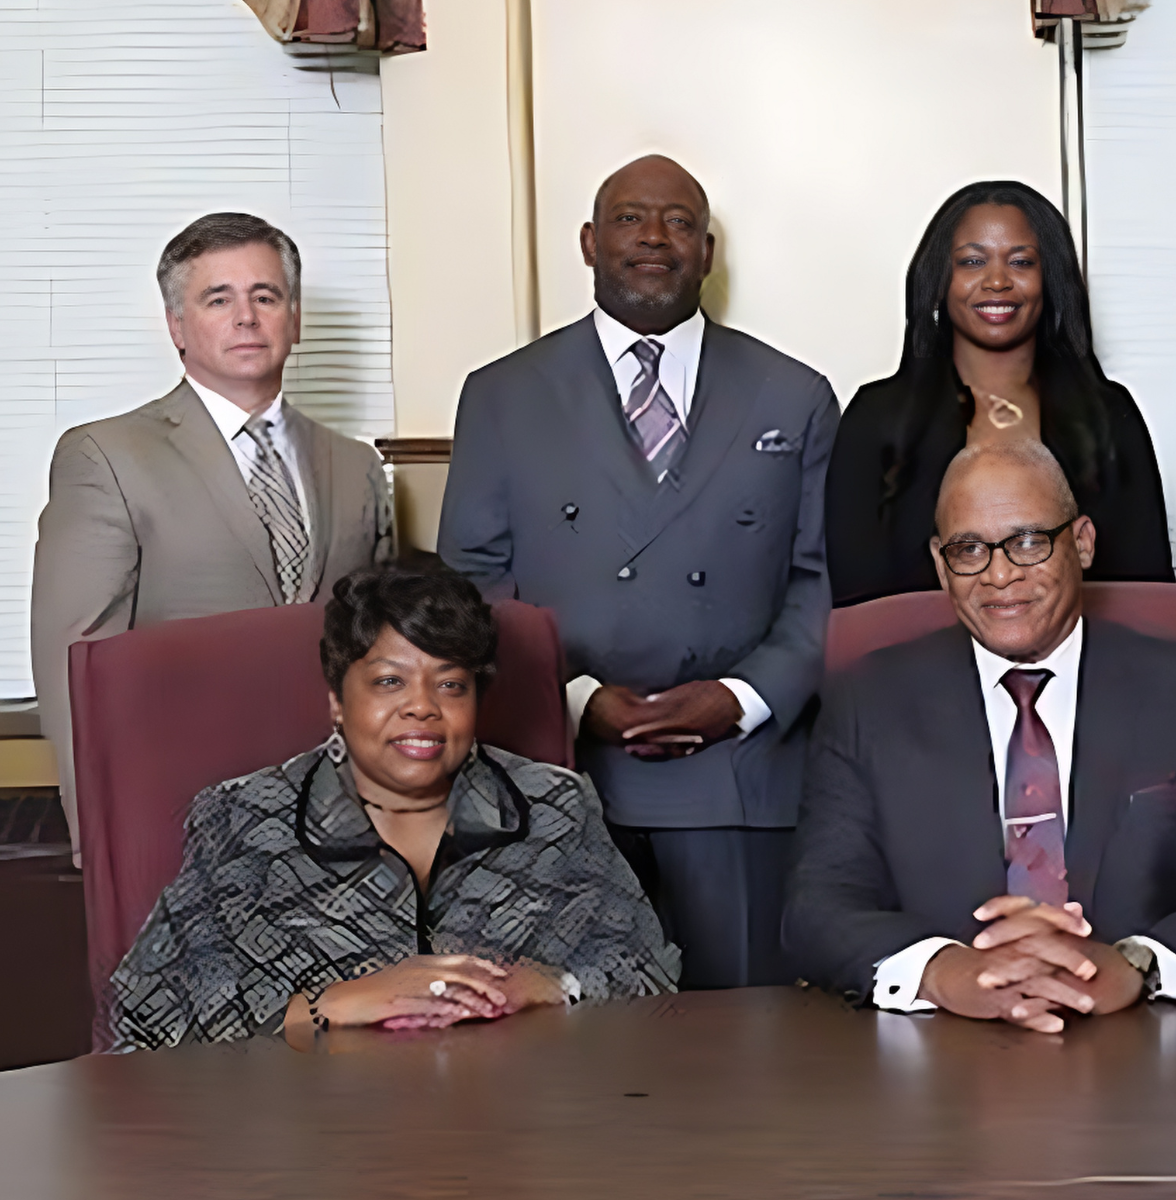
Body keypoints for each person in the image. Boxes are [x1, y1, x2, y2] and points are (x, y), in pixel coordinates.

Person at [439, 155, 837, 989]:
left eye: (679, 222)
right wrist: (578, 699)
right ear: (589, 243)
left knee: (748, 1036)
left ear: (708, 252)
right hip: (555, 771)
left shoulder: (793, 394)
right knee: (572, 1039)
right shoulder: (503, 394)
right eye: (629, 219)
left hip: (740, 776)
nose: (654, 237)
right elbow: (474, 583)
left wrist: (741, 698)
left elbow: (822, 581)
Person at [785, 441, 1176, 1033]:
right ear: (940, 564)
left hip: (1147, 1042)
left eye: (1028, 541)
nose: (1000, 575)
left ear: (1082, 542)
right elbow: (817, 906)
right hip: (936, 1046)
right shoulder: (867, 700)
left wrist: (1137, 964)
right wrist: (943, 971)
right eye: (968, 550)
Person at [107, 567, 676, 1052]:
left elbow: (650, 974)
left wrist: (553, 986)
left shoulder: (554, 806)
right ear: (337, 700)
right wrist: (329, 1006)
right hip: (318, 1130)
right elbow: (145, 1017)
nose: (422, 707)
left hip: (519, 1124)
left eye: (450, 685)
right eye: (389, 681)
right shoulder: (248, 819)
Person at [32, 212, 393, 861]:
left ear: (295, 318)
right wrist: (104, 841)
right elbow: (76, 668)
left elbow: (384, 653)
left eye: (266, 296)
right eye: (218, 299)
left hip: (345, 816)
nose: (246, 318)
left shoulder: (356, 465)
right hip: (182, 816)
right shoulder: (106, 456)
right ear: (177, 325)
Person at [826, 181, 1172, 605]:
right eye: (972, 261)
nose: (996, 281)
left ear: (1050, 280)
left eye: (1021, 262)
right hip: (913, 647)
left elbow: (1148, 593)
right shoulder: (876, 417)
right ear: (939, 280)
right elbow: (853, 604)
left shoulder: (1109, 413)